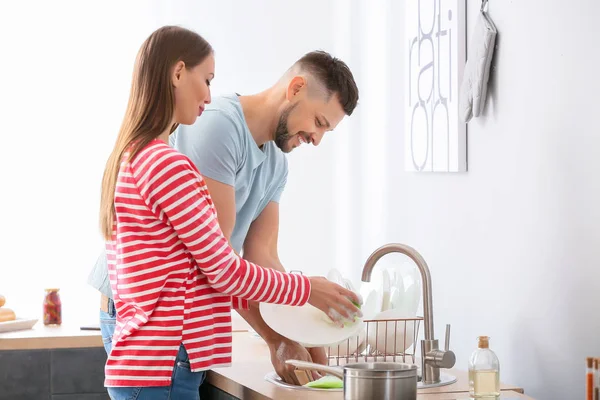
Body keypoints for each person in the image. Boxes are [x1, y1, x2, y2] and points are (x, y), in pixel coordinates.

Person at [98, 25, 360, 400]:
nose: (317, 139)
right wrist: (306, 292)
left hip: (158, 352)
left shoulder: (139, 156)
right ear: (296, 89)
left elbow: (255, 258)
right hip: (162, 347)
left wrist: (298, 332)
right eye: (318, 123)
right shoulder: (187, 149)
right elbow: (219, 269)